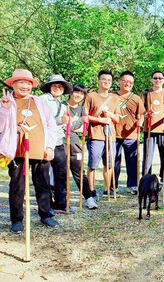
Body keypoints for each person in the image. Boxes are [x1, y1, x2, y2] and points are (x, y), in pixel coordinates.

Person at [0, 69, 59, 231]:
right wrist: (4, 110)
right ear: (13, 84)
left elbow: (50, 124)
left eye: (28, 83)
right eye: (21, 83)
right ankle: (17, 220)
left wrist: (49, 146)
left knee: (43, 184)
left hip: (40, 149)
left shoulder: (39, 101)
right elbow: (2, 127)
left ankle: (46, 215)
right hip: (17, 151)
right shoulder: (5, 101)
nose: (25, 86)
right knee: (17, 186)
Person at [39, 75, 75, 213]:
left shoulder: (61, 103)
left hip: (59, 141)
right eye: (54, 85)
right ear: (49, 87)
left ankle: (60, 203)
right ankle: (47, 206)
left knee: (62, 172)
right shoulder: (42, 100)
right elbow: (43, 121)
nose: (57, 88)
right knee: (44, 175)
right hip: (45, 141)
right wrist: (60, 120)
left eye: (60, 86)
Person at [83, 70, 120, 199]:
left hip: (111, 136)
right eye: (104, 79)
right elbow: (85, 116)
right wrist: (100, 120)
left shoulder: (114, 98)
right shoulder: (91, 96)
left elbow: (118, 119)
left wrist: (110, 116)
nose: (107, 82)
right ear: (99, 81)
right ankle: (92, 191)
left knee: (109, 164)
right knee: (93, 164)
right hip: (95, 135)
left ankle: (106, 189)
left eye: (109, 80)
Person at [63, 83, 98, 209]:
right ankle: (60, 202)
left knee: (79, 171)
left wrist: (72, 125)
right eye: (76, 92)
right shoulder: (62, 106)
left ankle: (89, 198)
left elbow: (83, 128)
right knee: (61, 172)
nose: (79, 95)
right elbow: (61, 125)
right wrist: (73, 124)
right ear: (71, 92)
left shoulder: (83, 110)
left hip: (74, 143)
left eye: (82, 93)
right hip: (60, 143)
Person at [113, 71, 145, 195]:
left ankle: (132, 184)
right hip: (114, 133)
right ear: (119, 81)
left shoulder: (136, 98)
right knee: (114, 160)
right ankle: (112, 185)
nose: (128, 84)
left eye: (131, 82)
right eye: (125, 81)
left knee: (132, 160)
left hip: (131, 134)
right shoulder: (112, 96)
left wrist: (140, 122)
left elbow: (141, 114)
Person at [141, 71, 164, 181]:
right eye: (155, 78)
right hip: (149, 129)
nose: (158, 80)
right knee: (147, 157)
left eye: (160, 78)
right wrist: (145, 115)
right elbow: (141, 110)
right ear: (151, 80)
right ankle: (146, 178)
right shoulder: (146, 93)